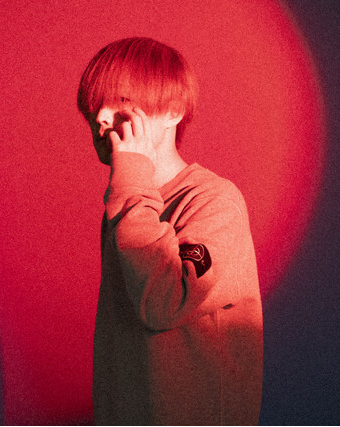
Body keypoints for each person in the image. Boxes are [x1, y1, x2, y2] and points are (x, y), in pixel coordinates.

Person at [77, 37, 263, 425]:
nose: (101, 117)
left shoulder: (214, 201)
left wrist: (131, 178)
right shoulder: (129, 200)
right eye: (94, 105)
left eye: (120, 102)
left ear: (173, 112)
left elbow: (163, 303)